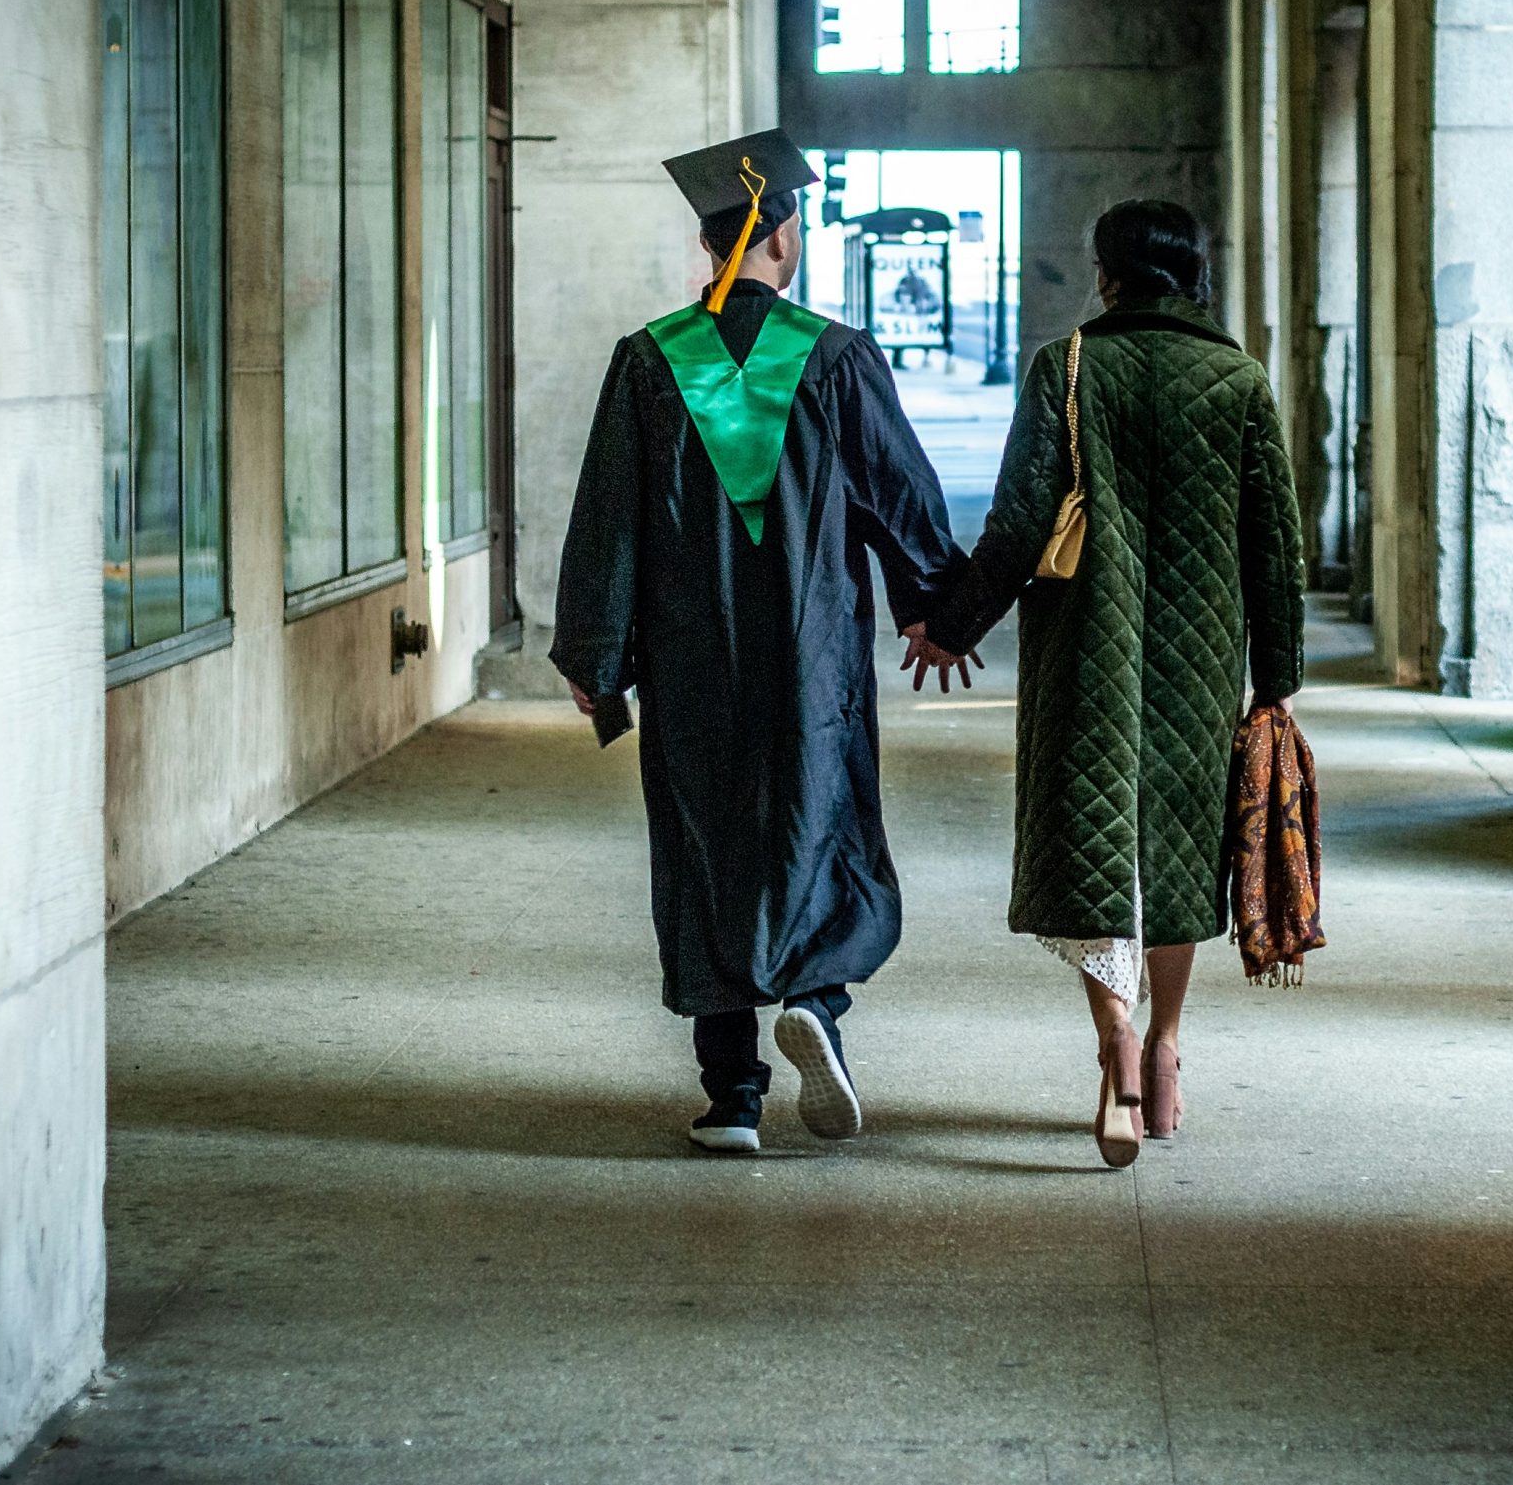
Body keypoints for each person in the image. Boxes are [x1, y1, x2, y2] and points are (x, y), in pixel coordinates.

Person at [550, 129, 965, 1156]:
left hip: (689, 655)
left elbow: (609, 517)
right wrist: (934, 612)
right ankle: (816, 1002)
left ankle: (730, 1094)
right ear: (783, 232)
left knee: (705, 844)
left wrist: (597, 661)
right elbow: (897, 495)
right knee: (816, 820)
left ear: (708, 236)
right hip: (810, 647)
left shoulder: (649, 362)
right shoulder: (832, 357)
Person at [917, 198, 1305, 1168]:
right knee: (1177, 857)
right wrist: (1278, 681)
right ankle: (1166, 1056)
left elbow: (1015, 527)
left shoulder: (1067, 368)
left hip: (1087, 652)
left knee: (1098, 851)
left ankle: (1114, 1048)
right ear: (1194, 272)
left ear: (1106, 274)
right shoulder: (1239, 381)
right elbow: (1276, 549)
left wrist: (951, 626)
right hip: (1202, 663)